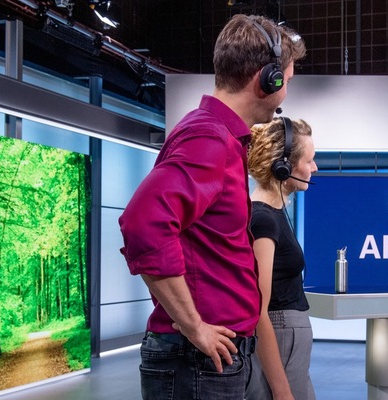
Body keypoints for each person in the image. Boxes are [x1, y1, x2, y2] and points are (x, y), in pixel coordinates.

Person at [118, 14, 306, 400]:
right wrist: (194, 326)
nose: (285, 92)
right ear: (265, 78)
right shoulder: (209, 138)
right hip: (197, 360)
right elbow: (143, 224)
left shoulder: (217, 136)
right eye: (285, 80)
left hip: (205, 360)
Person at [245, 117, 318, 400]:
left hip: (289, 342)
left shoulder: (273, 214)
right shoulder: (263, 220)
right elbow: (258, 311)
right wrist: (281, 389)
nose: (314, 168)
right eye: (309, 160)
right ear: (283, 167)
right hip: (280, 338)